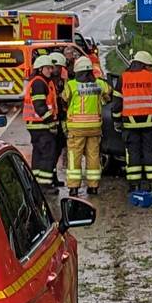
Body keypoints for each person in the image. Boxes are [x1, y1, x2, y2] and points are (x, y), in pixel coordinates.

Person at [112, 50, 152, 192]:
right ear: (144, 64)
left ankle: (134, 185)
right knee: (149, 152)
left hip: (129, 124)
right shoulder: (151, 78)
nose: (150, 69)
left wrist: (116, 120)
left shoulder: (123, 78)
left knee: (133, 153)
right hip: (150, 124)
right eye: (149, 67)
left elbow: (117, 103)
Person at [62, 56, 109, 196]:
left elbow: (64, 100)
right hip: (95, 127)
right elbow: (109, 95)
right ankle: (93, 186)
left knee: (74, 157)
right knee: (93, 156)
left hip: (76, 128)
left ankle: (73, 188)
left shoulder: (71, 85)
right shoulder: (100, 84)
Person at [24, 54, 60, 190]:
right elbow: (40, 106)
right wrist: (51, 122)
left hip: (36, 125)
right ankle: (44, 185)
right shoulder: (39, 83)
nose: (51, 70)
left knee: (38, 153)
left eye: (51, 68)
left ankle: (36, 184)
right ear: (40, 69)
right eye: (48, 68)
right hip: (41, 125)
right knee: (48, 154)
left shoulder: (41, 82)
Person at [47, 51, 70, 186]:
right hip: (50, 121)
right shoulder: (46, 81)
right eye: (56, 67)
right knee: (51, 150)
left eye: (59, 67)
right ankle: (49, 178)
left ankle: (53, 177)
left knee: (58, 147)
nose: (57, 70)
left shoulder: (61, 79)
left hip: (60, 118)